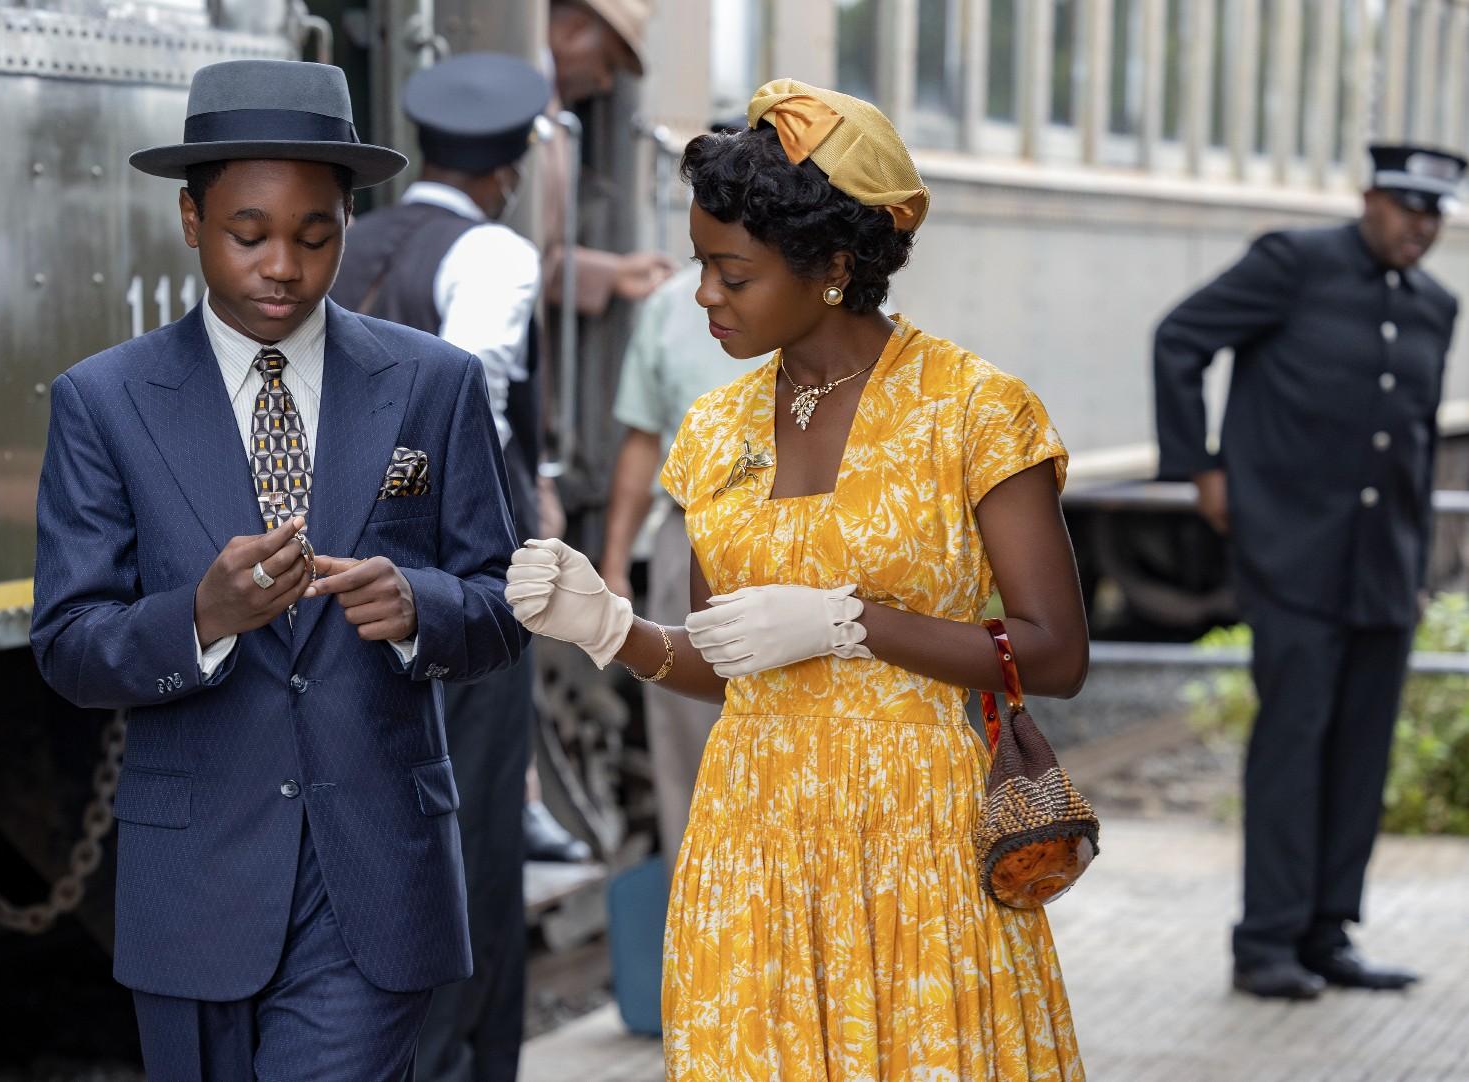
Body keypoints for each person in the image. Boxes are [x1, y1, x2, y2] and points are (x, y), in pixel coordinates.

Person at [505, 80, 1088, 1077]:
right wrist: (611, 629)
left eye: (732, 274)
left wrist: (849, 622)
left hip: (916, 837)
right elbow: (726, 658)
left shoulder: (972, 411)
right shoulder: (715, 426)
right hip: (750, 833)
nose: (703, 296)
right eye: (700, 266)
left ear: (831, 267)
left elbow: (1054, 652)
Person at [29, 59, 527, 1080]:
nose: (282, 269)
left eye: (315, 237)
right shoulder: (104, 403)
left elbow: (500, 602)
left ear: (348, 222)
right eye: (246, 235)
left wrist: (421, 606)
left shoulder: (434, 384)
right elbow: (69, 645)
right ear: (189, 219)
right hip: (194, 883)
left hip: (374, 880)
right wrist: (200, 617)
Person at [1153, 143, 1464, 1000]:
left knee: (1361, 750)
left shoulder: (1438, 305)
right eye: (1406, 207)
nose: (1420, 226)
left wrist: (1414, 563)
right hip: (1292, 554)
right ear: (1369, 198)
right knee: (1293, 743)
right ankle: (1266, 944)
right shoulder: (1294, 265)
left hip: (1386, 565)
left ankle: (1330, 933)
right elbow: (1180, 338)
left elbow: (1407, 440)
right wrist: (1203, 468)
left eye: (1434, 214)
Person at [328, 52, 549, 1082]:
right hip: (454, 586)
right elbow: (477, 404)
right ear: (506, 166)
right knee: (469, 832)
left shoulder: (346, 235)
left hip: (327, 583)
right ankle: (457, 1058)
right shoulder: (494, 252)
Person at [601, 117, 769, 863]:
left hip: (797, 536)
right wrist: (613, 567)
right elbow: (641, 439)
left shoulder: (840, 316)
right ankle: (697, 921)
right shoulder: (671, 304)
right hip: (689, 534)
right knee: (685, 742)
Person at [539, 0, 678, 318]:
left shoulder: (549, 107)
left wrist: (612, 274)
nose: (605, 82)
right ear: (573, 31)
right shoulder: (527, 101)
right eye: (608, 63)